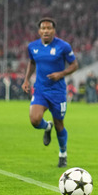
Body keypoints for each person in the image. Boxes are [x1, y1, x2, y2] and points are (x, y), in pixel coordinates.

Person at [22, 18, 79, 168]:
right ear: (39, 31)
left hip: (58, 92)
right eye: (43, 28)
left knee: (60, 124)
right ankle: (47, 127)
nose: (46, 31)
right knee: (34, 120)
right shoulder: (33, 47)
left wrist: (61, 74)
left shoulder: (63, 46)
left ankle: (63, 153)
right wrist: (26, 79)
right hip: (41, 90)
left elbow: (75, 65)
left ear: (54, 30)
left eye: (49, 28)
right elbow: (32, 62)